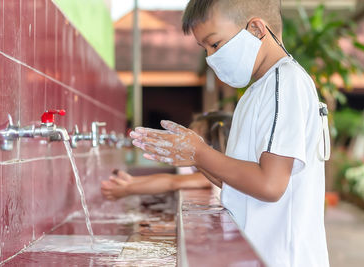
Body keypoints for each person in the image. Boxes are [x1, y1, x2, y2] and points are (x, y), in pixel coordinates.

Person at [129, 1, 331, 266]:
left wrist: (199, 153)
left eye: (215, 44)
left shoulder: (285, 82)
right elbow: (241, 185)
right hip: (258, 253)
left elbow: (269, 186)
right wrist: (196, 157)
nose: (211, 58)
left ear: (257, 29)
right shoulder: (257, 91)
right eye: (205, 49)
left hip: (282, 258)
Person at [101, 111, 232, 201]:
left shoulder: (218, 176)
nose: (183, 144)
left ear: (212, 145)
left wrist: (128, 189)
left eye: (192, 141)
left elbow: (173, 182)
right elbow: (172, 179)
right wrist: (131, 181)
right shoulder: (215, 174)